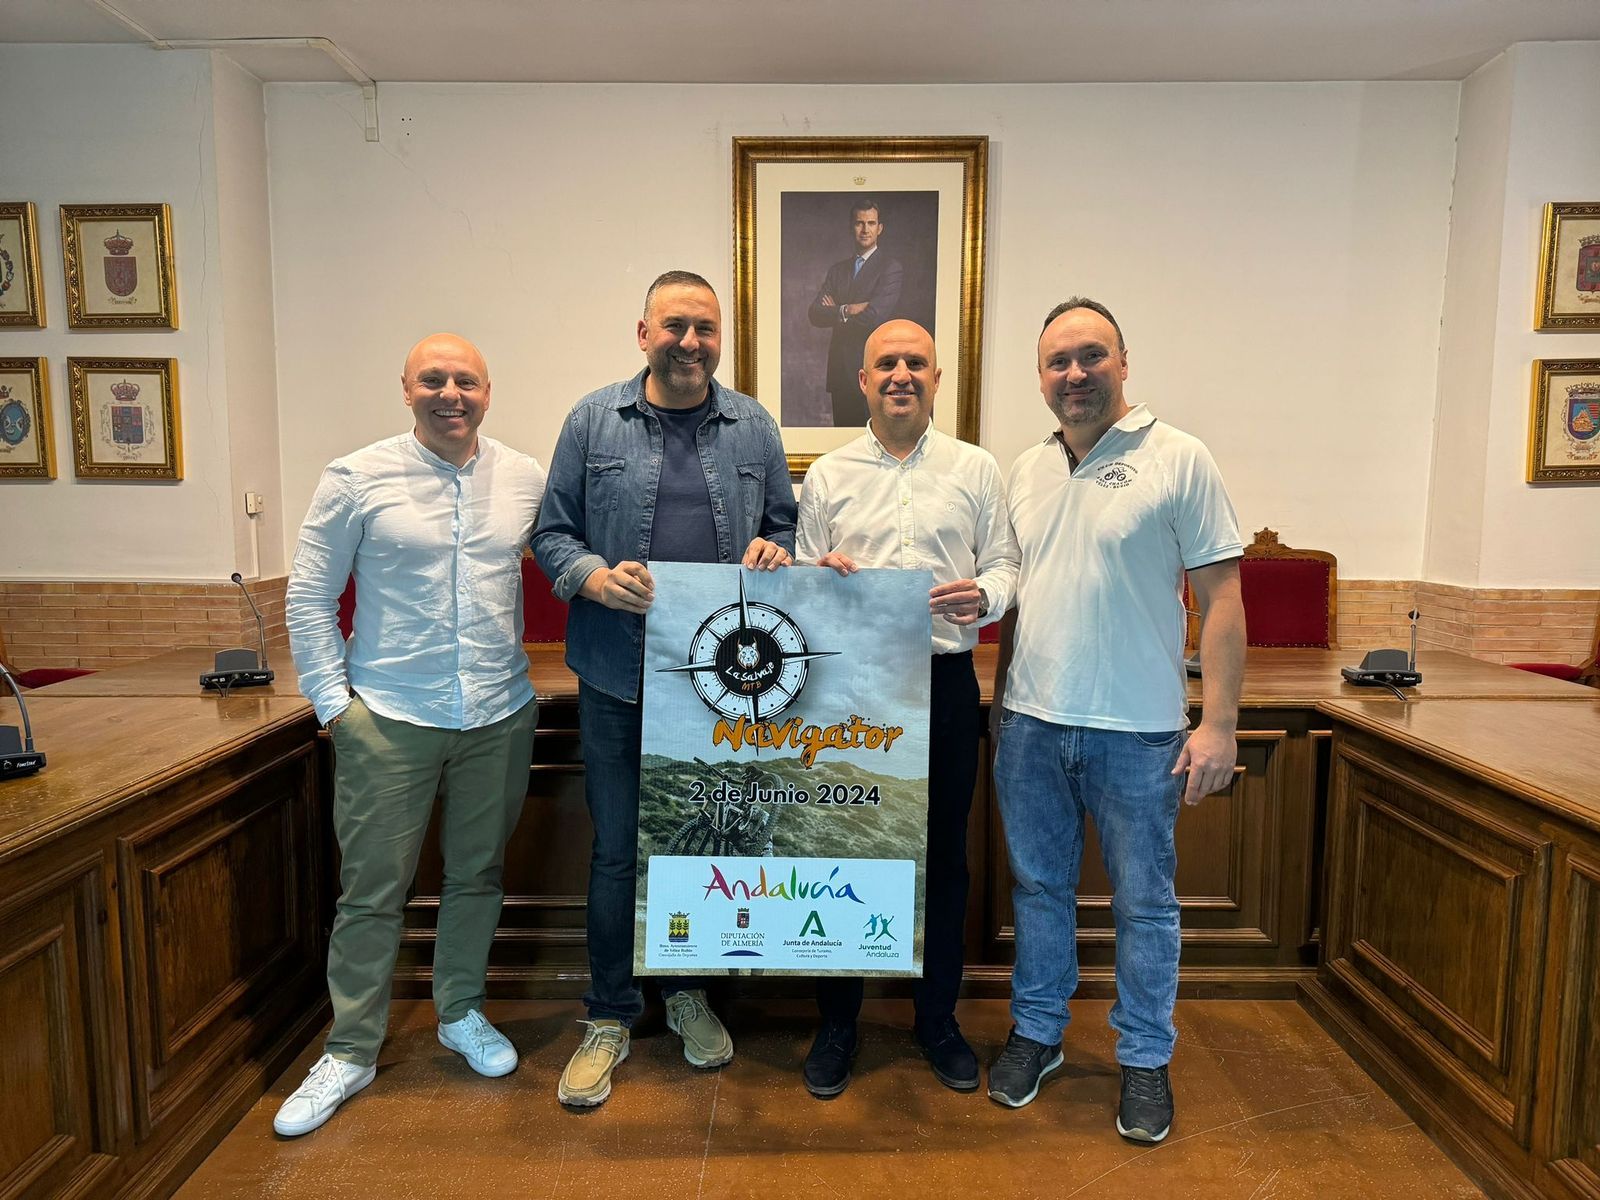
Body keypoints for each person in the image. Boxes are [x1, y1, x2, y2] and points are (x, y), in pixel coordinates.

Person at [532, 270, 797, 1108]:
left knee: (698, 844)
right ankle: (610, 1012)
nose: (691, 341)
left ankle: (687, 995)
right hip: (616, 670)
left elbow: (784, 524)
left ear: (722, 338)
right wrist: (593, 578)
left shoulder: (752, 424)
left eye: (706, 328)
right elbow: (550, 533)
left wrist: (774, 551)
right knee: (616, 851)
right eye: (675, 325)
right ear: (643, 332)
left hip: (721, 682)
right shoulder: (592, 419)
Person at [987, 298, 1246, 1144]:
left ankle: (1143, 1059)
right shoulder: (1025, 468)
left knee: (1144, 904)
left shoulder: (1180, 458)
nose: (1074, 374)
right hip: (1029, 725)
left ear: (1124, 363)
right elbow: (1017, 591)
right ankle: (1037, 1035)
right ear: (1040, 377)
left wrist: (1221, 724)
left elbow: (1223, 600)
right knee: (1039, 891)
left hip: (1139, 733)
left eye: (1091, 356)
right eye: (1058, 361)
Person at [277, 333, 547, 1136]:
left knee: (478, 875)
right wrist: (336, 710)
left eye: (467, 380)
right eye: (434, 379)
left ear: (489, 391)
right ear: (406, 388)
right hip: (389, 717)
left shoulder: (524, 476)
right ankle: (352, 1050)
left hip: (498, 713)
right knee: (370, 896)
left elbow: (568, 558)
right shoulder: (356, 477)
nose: (451, 393)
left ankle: (460, 1013)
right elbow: (308, 598)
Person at [796, 318, 1018, 1097]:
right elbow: (798, 578)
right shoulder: (826, 475)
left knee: (943, 862)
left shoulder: (976, 469)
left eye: (915, 363)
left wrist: (985, 593)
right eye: (885, 362)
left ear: (936, 377)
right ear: (862, 380)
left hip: (944, 684)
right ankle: (839, 1023)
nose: (900, 374)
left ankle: (937, 1020)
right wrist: (817, 575)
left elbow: (1005, 564)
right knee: (847, 853)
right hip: (853, 692)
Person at [807, 199, 904, 427]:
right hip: (840, 372)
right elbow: (814, 313)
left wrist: (835, 311)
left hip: (873, 370)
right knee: (843, 446)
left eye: (871, 223)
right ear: (852, 227)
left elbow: (874, 316)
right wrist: (849, 309)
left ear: (879, 228)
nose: (865, 229)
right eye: (859, 223)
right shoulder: (837, 270)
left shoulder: (890, 268)